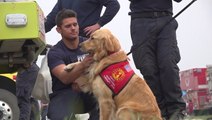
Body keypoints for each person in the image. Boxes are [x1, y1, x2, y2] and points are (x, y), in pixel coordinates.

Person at [128, 0, 186, 120]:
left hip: (165, 19)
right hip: (140, 21)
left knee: (168, 64)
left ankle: (176, 112)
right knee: (147, 68)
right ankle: (159, 113)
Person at [47, 9, 98, 120]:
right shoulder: (55, 52)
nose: (73, 28)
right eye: (68, 26)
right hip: (64, 94)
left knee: (108, 100)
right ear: (58, 30)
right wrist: (83, 64)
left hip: (89, 91)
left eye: (75, 24)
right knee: (57, 116)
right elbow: (65, 78)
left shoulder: (90, 44)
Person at [45, 0, 120, 37]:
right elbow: (52, 18)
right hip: (70, 41)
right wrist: (38, 31)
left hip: (89, 38)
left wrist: (99, 24)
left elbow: (114, 5)